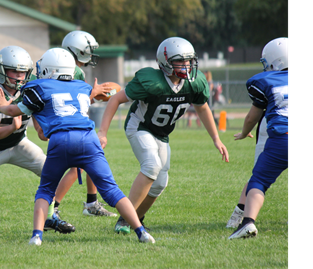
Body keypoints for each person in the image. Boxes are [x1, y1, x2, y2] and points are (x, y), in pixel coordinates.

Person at [0, 48, 155, 246]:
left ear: (49, 70)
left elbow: (14, 110)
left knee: (45, 190)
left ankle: (37, 236)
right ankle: (141, 232)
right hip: (89, 139)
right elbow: (80, 101)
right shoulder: (81, 86)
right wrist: (94, 92)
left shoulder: (38, 87)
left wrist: (2, 106)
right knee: (112, 191)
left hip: (61, 139)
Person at [97, 37, 229, 234]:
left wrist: (216, 138)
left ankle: (137, 220)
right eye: (180, 61)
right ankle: (126, 219)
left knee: (159, 183)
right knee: (151, 166)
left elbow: (202, 108)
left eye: (188, 60)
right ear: (165, 62)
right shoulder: (151, 81)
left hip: (162, 133)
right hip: (140, 125)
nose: (186, 65)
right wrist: (103, 132)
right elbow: (116, 99)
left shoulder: (195, 82)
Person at [0, 46, 75, 240]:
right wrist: (11, 127)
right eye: (14, 71)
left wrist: (44, 130)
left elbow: (42, 112)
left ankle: (50, 217)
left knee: (50, 171)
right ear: (1, 70)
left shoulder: (34, 86)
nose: (19, 76)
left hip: (18, 143)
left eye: (23, 71)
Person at [43, 30, 117, 219]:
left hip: (66, 118)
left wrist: (94, 96)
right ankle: (55, 206)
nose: (90, 55)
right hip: (60, 122)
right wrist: (94, 93)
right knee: (80, 162)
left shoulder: (70, 69)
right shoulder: (66, 69)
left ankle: (91, 203)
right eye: (87, 50)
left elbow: (74, 100)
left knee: (92, 155)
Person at [228, 37, 289, 239]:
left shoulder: (266, 81)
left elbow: (251, 117)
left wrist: (245, 133)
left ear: (276, 61)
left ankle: (247, 223)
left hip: (281, 139)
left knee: (259, 181)